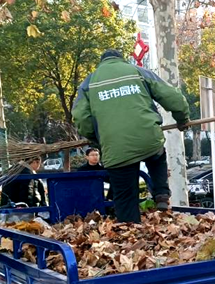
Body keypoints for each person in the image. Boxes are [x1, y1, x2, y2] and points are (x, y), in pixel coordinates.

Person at [72, 49, 190, 223]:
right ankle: (162, 194)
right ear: (121, 60)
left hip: (116, 149)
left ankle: (131, 231)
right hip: (148, 138)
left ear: (102, 62)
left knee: (125, 198)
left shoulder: (89, 82)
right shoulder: (139, 72)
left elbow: (81, 117)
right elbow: (173, 97)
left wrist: (97, 137)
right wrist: (182, 119)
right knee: (157, 156)